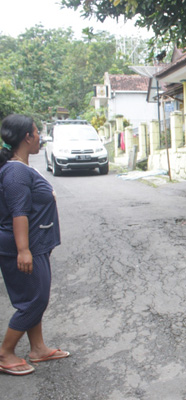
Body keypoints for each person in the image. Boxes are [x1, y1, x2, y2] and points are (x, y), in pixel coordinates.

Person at [0, 115, 69, 376]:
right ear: (27, 137)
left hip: (36, 244)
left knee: (33, 298)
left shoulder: (20, 166)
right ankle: (5, 353)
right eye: (37, 132)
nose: (40, 136)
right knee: (35, 301)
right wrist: (23, 250)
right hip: (25, 246)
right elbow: (19, 212)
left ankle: (38, 348)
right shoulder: (16, 171)